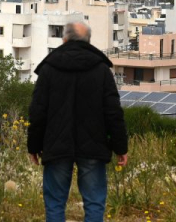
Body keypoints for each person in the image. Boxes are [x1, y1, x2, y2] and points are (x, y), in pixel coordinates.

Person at [27, 21, 128, 222]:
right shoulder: (101, 69)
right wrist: (120, 147)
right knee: (94, 202)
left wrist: (34, 146)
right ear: (88, 41)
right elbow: (113, 112)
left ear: (64, 40)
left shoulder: (49, 68)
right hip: (93, 145)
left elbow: (38, 112)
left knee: (55, 202)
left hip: (57, 145)